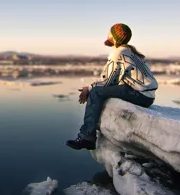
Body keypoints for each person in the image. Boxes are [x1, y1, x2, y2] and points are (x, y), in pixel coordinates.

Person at [66, 23, 158, 151]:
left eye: (110, 33)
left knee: (96, 92)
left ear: (115, 37)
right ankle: (88, 135)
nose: (107, 34)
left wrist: (90, 88)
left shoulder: (118, 52)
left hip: (140, 95)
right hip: (147, 95)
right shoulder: (130, 51)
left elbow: (108, 81)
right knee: (98, 90)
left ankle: (87, 137)